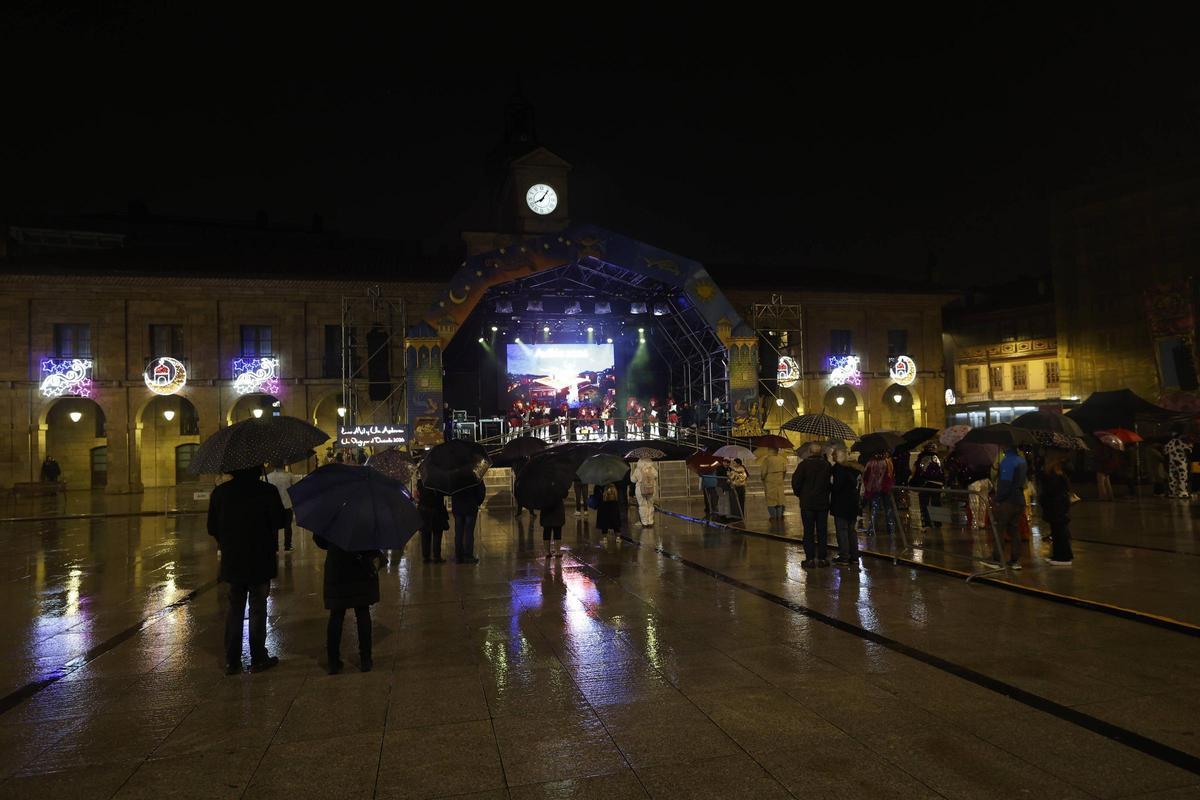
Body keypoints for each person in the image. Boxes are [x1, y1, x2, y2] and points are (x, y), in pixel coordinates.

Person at [207, 465, 286, 675]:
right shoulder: (267, 491)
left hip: (233, 560)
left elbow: (211, 527)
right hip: (260, 558)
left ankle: (232, 661)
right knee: (258, 607)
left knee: (235, 607)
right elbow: (279, 521)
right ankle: (258, 657)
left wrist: (227, 540)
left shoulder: (220, 493)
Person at [313, 533, 383, 674]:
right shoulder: (365, 518)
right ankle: (365, 660)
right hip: (361, 566)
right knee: (362, 612)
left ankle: (333, 662)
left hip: (337, 565)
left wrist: (334, 544)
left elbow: (319, 539)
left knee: (336, 614)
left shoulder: (332, 518)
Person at [988, 445, 1029, 570]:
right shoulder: (1022, 460)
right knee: (1014, 530)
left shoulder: (1007, 462)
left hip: (1007, 501)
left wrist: (997, 499)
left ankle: (996, 559)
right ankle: (1015, 560)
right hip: (1019, 500)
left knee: (999, 529)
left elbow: (1005, 484)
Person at [792, 444, 832, 567]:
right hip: (822, 503)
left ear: (809, 452)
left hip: (807, 503)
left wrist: (801, 494)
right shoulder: (826, 465)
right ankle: (822, 558)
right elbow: (830, 483)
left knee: (808, 531)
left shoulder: (803, 465)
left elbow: (796, 482)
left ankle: (809, 559)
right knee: (822, 531)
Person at [1039, 452, 1074, 566]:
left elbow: (1051, 490)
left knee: (1060, 532)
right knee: (1056, 531)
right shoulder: (1059, 474)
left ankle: (1063, 557)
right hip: (1057, 506)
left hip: (1057, 506)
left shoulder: (1056, 475)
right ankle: (1058, 555)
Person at [830, 449, 861, 566]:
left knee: (842, 530)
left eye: (834, 454)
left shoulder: (839, 469)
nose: (832, 455)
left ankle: (844, 556)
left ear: (838, 456)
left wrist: (830, 485)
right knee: (851, 530)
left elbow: (837, 486)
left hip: (841, 504)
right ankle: (854, 556)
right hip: (852, 503)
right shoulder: (853, 468)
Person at [265, 462, 298, 550]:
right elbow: (296, 487)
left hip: (274, 506)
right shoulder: (289, 475)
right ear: (283, 465)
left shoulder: (268, 477)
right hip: (287, 504)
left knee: (274, 527)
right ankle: (287, 545)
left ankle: (275, 546)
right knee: (288, 526)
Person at [861, 452, 896, 535]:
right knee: (888, 508)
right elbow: (891, 474)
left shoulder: (871, 462)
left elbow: (866, 476)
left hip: (874, 489)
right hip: (886, 487)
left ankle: (871, 529)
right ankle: (891, 528)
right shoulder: (888, 462)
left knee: (874, 508)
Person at [451, 481, 486, 563]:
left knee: (458, 532)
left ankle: (458, 555)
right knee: (469, 532)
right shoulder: (474, 476)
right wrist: (477, 502)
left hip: (458, 507)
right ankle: (468, 555)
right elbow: (481, 491)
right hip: (471, 507)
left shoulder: (454, 476)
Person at [912, 444, 945, 529]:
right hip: (937, 484)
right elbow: (941, 471)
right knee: (936, 503)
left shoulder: (922, 458)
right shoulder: (936, 458)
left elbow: (919, 472)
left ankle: (927, 524)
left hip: (925, 483)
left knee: (924, 504)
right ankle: (937, 523)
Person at [416, 480, 448, 563]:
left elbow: (420, 496)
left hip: (424, 510)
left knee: (425, 534)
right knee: (437, 533)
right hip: (437, 510)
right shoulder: (439, 481)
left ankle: (426, 556)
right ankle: (437, 556)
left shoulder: (421, 482)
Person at [761, 447, 788, 521]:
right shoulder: (782, 459)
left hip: (770, 481)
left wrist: (763, 478)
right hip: (779, 481)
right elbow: (785, 470)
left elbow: (763, 472)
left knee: (771, 500)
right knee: (780, 499)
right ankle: (780, 515)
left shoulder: (767, 460)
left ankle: (773, 516)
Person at [630, 456, 658, 527]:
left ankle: (644, 522)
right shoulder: (652, 469)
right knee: (650, 505)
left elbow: (633, 480)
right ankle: (650, 521)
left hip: (640, 489)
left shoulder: (638, 470)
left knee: (642, 505)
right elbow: (656, 476)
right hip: (651, 488)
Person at [1165, 430, 1192, 499]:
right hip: (1181, 462)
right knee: (1183, 477)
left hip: (1171, 462)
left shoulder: (1169, 443)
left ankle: (1172, 492)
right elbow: (1189, 450)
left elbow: (1165, 452)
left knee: (1172, 477)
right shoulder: (1181, 443)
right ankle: (1183, 493)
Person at [540, 494, 566, 558]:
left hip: (546, 506)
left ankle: (547, 552)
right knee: (557, 528)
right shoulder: (559, 487)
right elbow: (565, 494)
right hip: (557, 506)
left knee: (547, 529)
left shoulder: (543, 487)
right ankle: (557, 551)